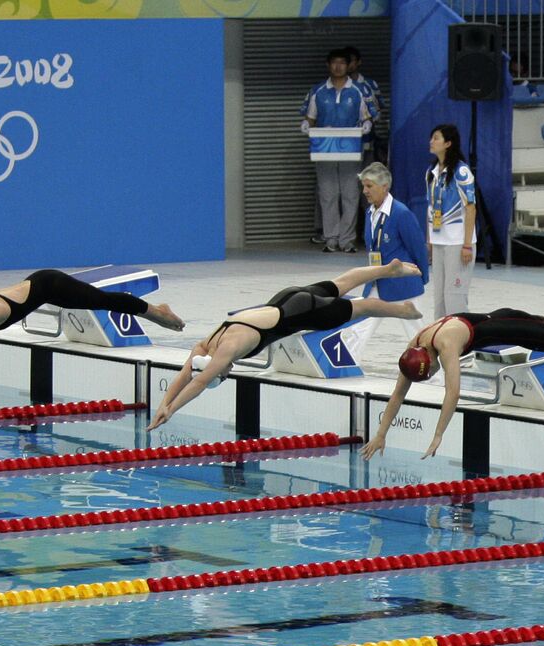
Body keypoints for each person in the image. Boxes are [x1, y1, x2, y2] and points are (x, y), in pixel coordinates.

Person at [148, 262, 422, 430]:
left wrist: (171, 410)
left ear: (216, 370)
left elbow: (196, 383)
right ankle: (389, 269)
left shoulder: (224, 351)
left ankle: (402, 310)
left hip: (298, 313)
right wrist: (164, 404)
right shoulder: (206, 345)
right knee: (340, 283)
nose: (226, 373)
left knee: (361, 307)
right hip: (285, 298)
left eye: (222, 375)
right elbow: (187, 374)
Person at [362, 311, 544, 460]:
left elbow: (454, 392)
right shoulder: (415, 346)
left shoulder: (445, 345)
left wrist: (438, 435)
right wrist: (381, 433)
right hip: (500, 314)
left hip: (511, 329)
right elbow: (399, 392)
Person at [0, 270, 184, 385]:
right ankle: (155, 311)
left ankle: (157, 312)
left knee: (102, 300)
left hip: (51, 284)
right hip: (39, 285)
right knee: (99, 300)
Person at [300, 49, 373, 253]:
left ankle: (347, 239)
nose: (338, 66)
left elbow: (368, 116)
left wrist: (367, 125)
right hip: (324, 147)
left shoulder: (359, 90)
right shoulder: (318, 91)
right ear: (328, 65)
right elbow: (310, 117)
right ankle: (331, 238)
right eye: (334, 62)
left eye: (342, 62)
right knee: (328, 194)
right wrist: (306, 124)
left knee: (350, 194)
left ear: (349, 65)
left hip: (351, 147)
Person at [426, 124, 477, 320]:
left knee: (454, 297)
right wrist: (429, 239)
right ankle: (439, 340)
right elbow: (429, 207)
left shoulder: (461, 171)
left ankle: (461, 341)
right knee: (439, 299)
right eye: (432, 138)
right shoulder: (431, 171)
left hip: (457, 243)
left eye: (436, 138)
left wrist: (467, 245)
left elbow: (470, 208)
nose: (431, 141)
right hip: (438, 240)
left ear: (448, 143)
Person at [360, 162, 428, 304]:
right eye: (363, 186)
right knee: (361, 325)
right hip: (376, 283)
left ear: (384, 186)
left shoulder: (401, 213)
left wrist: (422, 277)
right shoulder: (369, 213)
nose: (364, 191)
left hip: (404, 285)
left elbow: (418, 248)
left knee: (416, 326)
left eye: (369, 186)